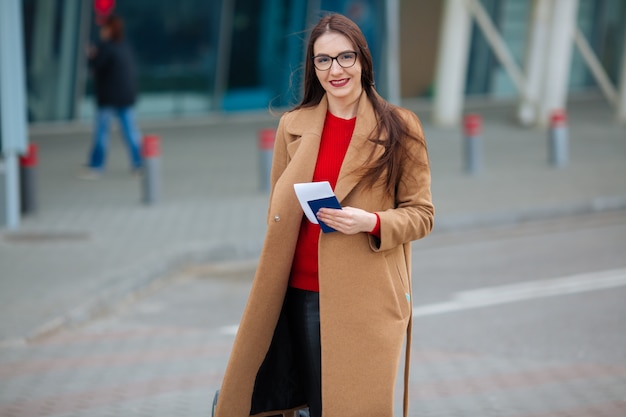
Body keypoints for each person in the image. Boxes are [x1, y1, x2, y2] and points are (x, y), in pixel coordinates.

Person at [214, 13, 434, 417]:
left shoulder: (401, 128)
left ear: (363, 61)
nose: (335, 70)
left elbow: (422, 214)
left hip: (363, 302)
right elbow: (277, 213)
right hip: (291, 294)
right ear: (313, 68)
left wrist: (372, 222)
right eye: (323, 60)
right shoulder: (292, 127)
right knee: (283, 404)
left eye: (345, 57)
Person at [79, 14, 142, 179]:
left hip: (109, 98)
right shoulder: (124, 46)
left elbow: (96, 67)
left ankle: (96, 166)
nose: (101, 31)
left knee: (101, 133)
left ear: (109, 29)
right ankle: (140, 164)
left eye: (104, 28)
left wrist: (91, 55)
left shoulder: (105, 47)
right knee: (131, 132)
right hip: (125, 96)